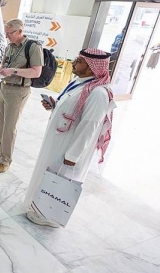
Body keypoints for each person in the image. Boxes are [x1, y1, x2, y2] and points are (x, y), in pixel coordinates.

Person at [23, 48, 115, 228]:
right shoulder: (81, 83)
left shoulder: (98, 93)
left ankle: (49, 217)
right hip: (58, 141)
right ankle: (38, 207)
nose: (73, 63)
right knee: (47, 175)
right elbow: (75, 111)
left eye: (79, 61)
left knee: (59, 181)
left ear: (91, 68)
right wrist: (55, 106)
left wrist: (72, 157)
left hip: (69, 149)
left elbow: (89, 126)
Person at [0, 18, 44, 173]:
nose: (7, 36)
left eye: (10, 33)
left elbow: (36, 72)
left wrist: (13, 71)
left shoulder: (33, 47)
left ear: (20, 31)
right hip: (4, 87)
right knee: (1, 123)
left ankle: (5, 160)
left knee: (10, 127)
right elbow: (5, 64)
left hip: (18, 91)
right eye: (6, 33)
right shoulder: (10, 46)